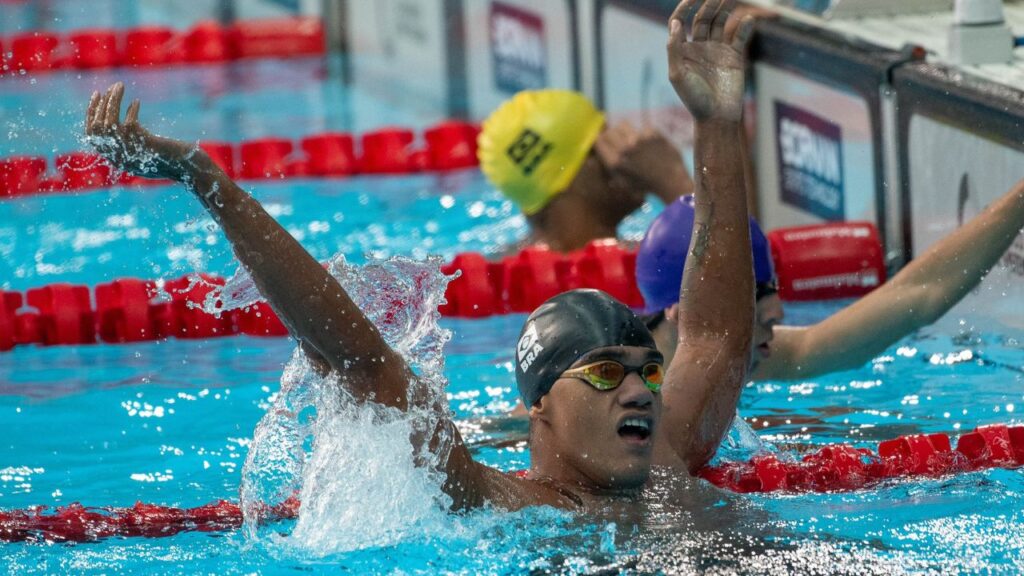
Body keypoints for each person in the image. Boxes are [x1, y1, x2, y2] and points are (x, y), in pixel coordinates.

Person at [85, 0, 755, 509]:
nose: (639, 389)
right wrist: (211, 182)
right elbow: (360, 359)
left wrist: (717, 122)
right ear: (539, 405)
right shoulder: (501, 505)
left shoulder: (667, 461)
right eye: (607, 373)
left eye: (646, 372)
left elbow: (717, 334)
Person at [637, 177, 1024, 381]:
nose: (776, 311)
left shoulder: (741, 362)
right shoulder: (620, 397)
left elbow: (918, 295)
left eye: (771, 287)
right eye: (754, 294)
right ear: (683, 314)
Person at [478, 90, 694, 253]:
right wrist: (673, 183)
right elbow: (720, 273)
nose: (628, 153)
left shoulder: (510, 272)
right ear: (578, 169)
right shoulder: (579, 291)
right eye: (604, 142)